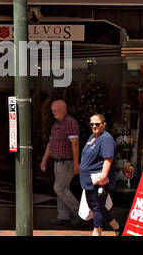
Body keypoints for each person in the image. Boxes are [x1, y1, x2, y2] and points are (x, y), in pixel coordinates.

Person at [39, 99, 81, 227]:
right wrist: (44, 159)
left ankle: (79, 212)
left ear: (63, 109)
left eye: (55, 110)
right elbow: (50, 144)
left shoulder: (71, 123)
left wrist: (75, 164)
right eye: (52, 111)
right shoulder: (55, 125)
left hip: (67, 162)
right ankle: (63, 216)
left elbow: (75, 144)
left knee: (59, 188)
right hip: (57, 163)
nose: (53, 113)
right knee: (62, 189)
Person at [79, 111, 121, 236]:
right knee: (96, 206)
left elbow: (108, 159)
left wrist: (103, 176)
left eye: (97, 124)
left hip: (98, 178)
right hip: (87, 179)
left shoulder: (106, 139)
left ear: (104, 124)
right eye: (91, 124)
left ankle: (97, 232)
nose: (94, 126)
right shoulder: (92, 137)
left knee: (97, 207)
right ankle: (118, 227)